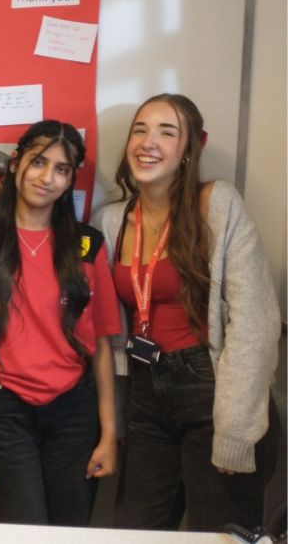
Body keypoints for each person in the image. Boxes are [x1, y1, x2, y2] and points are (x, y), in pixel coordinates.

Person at [92, 93, 279, 531]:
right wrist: (114, 419)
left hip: (211, 391)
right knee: (134, 530)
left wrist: (235, 432)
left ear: (190, 149)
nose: (148, 142)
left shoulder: (216, 204)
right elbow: (109, 333)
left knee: (218, 533)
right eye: (140, 129)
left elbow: (256, 320)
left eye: (167, 132)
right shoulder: (111, 221)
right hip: (145, 391)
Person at [0, 120, 120, 525]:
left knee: (70, 529)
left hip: (75, 411)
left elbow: (99, 344)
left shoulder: (87, 244)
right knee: (22, 530)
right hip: (4, 409)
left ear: (70, 180)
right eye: (38, 162)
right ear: (16, 164)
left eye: (62, 169)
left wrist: (109, 434)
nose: (47, 178)